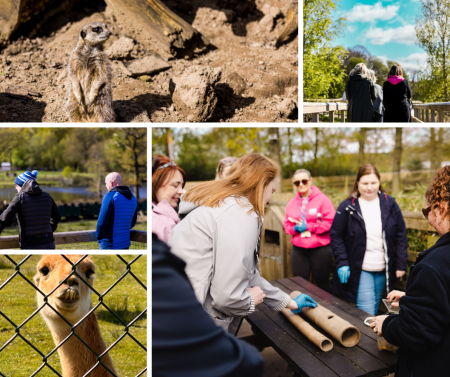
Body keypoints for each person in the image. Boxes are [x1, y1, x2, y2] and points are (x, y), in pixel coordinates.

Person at [168, 154, 317, 333]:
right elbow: (227, 298)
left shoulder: (222, 205)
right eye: (272, 190)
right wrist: (250, 300)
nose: (270, 200)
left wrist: (288, 302)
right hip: (196, 325)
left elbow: (247, 274)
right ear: (261, 186)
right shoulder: (240, 215)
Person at [370, 166, 450, 376]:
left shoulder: (432, 266)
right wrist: (412, 298)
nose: (429, 220)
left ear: (441, 208)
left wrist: (387, 324)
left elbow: (416, 333)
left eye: (427, 211)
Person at [153, 233, 264, 377]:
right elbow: (241, 362)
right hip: (213, 315)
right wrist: (248, 301)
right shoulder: (157, 264)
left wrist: (285, 301)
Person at [330, 164, 408, 316]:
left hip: (383, 269)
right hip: (362, 268)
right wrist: (342, 262)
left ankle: (371, 337)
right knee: (366, 309)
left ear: (379, 182)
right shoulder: (348, 206)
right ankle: (366, 338)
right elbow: (336, 235)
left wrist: (400, 263)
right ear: (357, 183)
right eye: (365, 183)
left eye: (373, 183)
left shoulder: (390, 204)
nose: (369, 187)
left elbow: (400, 234)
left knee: (377, 304)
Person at [283, 169, 336, 293]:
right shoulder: (292, 203)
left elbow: (330, 222)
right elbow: (287, 226)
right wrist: (295, 229)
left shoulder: (323, 200)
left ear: (310, 181)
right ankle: (303, 311)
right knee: (300, 285)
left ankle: (330, 310)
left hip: (320, 249)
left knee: (323, 284)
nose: (301, 184)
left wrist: (310, 227)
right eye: (297, 182)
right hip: (299, 249)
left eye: (304, 181)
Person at [0, 170, 61, 249]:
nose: (15, 188)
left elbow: (3, 219)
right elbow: (57, 218)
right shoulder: (47, 196)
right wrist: (49, 230)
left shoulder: (19, 197)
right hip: (49, 243)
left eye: (16, 185)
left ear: (22, 185)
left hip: (30, 245)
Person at [96, 172, 138, 249]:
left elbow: (102, 222)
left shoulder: (110, 196)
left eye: (106, 183)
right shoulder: (133, 199)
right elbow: (133, 222)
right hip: (125, 244)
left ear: (111, 183)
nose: (105, 186)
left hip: (109, 244)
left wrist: (98, 237)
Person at [152, 155, 186, 242]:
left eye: (181, 186)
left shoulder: (170, 215)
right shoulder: (158, 222)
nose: (181, 191)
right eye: (175, 186)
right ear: (156, 184)